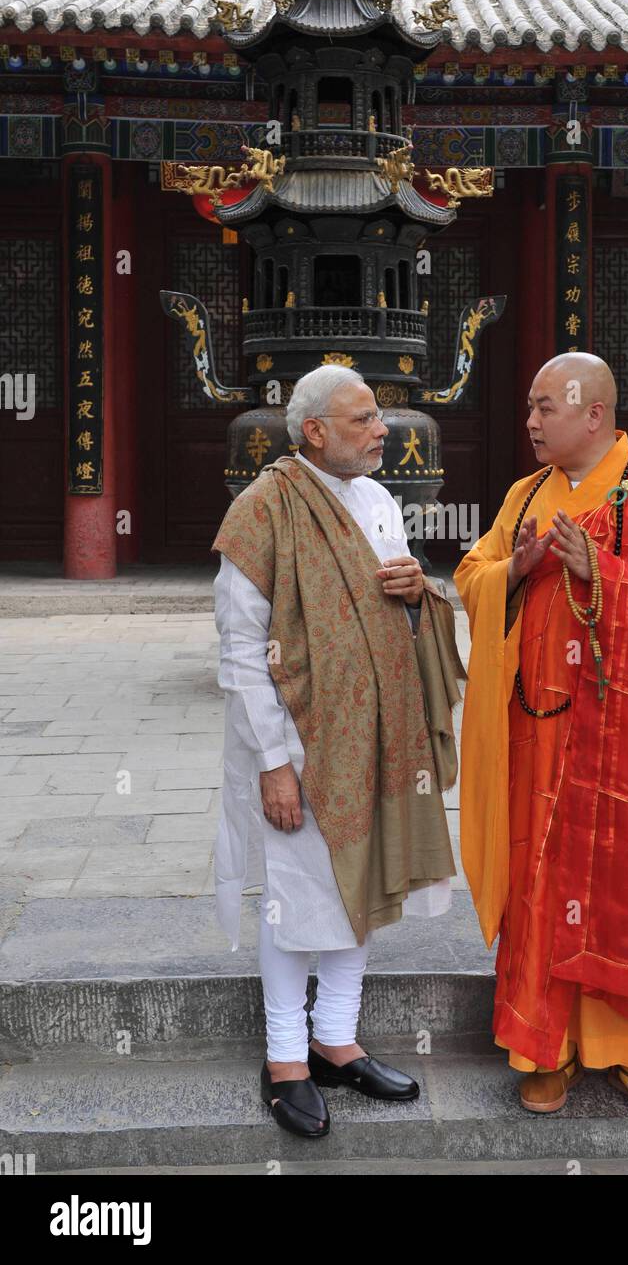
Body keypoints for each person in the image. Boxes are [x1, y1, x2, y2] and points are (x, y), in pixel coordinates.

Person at [454, 352, 628, 1122]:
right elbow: (470, 576)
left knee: (626, 889)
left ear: (593, 414)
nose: (532, 422)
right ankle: (545, 1049)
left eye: (546, 407)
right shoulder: (525, 495)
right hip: (537, 736)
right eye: (530, 408)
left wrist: (604, 574)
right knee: (542, 886)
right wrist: (516, 567)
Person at [211, 364, 461, 1138]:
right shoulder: (262, 511)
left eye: (378, 416)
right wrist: (273, 763)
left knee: (367, 879)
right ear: (314, 429)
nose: (381, 429)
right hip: (301, 741)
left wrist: (421, 591)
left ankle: (336, 1039)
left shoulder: (380, 500)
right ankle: (286, 1059)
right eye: (362, 418)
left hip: (380, 735)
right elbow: (241, 650)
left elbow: (397, 605)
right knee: (297, 898)